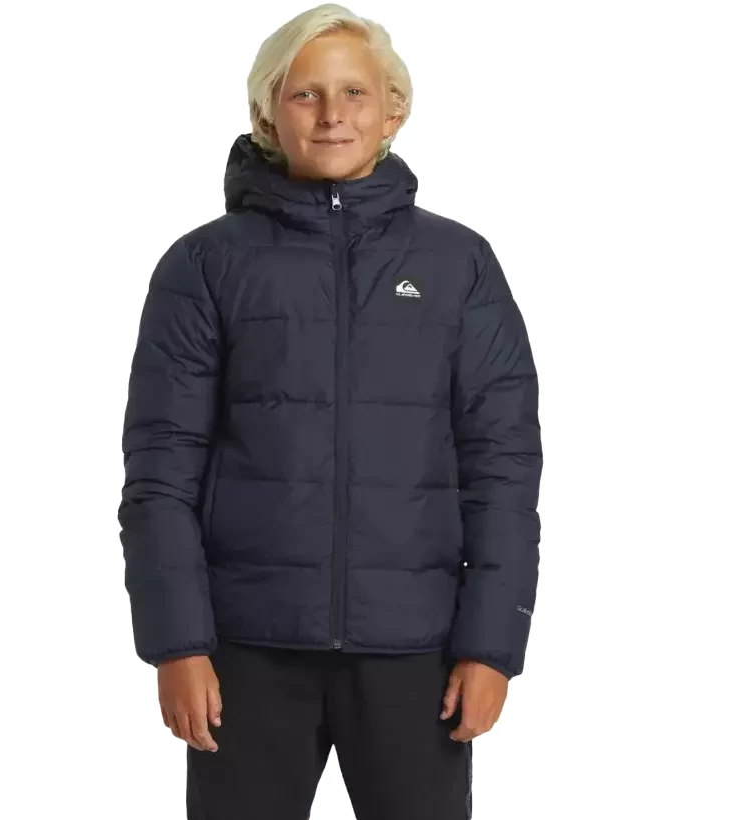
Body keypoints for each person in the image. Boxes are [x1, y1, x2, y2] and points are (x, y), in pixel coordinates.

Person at [117, 4, 542, 818]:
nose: (332, 114)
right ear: (267, 113)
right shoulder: (203, 266)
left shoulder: (458, 264)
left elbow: (503, 465)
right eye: (305, 94)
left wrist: (492, 646)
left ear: (393, 110)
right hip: (245, 653)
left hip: (417, 653)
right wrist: (177, 643)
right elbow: (162, 470)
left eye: (354, 92)